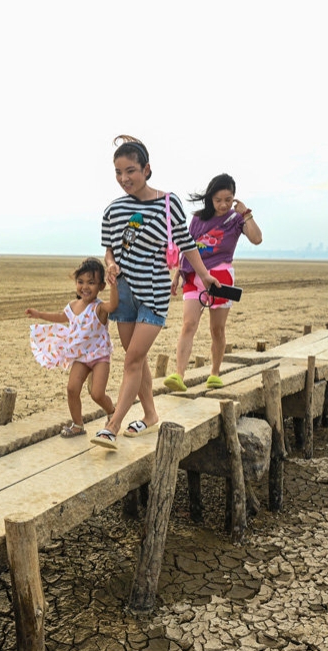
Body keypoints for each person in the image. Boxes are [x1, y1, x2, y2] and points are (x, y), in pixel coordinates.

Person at [91, 135, 220, 449]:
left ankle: (112, 425)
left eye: (131, 170)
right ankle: (150, 415)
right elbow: (109, 250)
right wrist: (109, 265)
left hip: (154, 292)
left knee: (133, 360)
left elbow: (186, 244)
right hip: (123, 294)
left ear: (147, 169)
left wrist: (203, 275)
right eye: (119, 172)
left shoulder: (168, 203)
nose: (125, 179)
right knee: (138, 358)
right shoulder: (113, 209)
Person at [164, 173, 263, 392]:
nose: (223, 204)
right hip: (193, 276)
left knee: (217, 329)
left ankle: (215, 373)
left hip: (221, 278)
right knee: (188, 324)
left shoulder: (236, 219)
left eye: (228, 199)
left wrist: (245, 213)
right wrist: (177, 273)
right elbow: (186, 247)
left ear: (234, 198)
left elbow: (257, 239)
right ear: (210, 198)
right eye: (218, 200)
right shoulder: (198, 218)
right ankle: (179, 374)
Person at [26, 257, 118, 437]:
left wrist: (114, 285)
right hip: (81, 357)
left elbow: (113, 305)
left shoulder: (99, 308)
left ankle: (112, 413)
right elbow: (60, 317)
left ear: (101, 286)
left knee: (97, 394)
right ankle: (78, 425)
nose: (85, 287)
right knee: (72, 389)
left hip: (99, 356)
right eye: (81, 282)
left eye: (91, 283)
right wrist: (39, 314)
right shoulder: (73, 306)